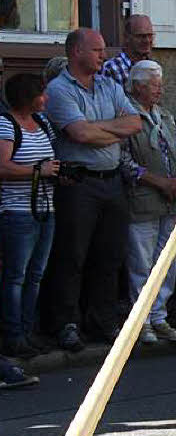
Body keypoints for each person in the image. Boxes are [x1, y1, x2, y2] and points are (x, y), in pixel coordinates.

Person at [44, 28, 142, 351]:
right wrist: (108, 130)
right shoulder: (59, 90)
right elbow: (78, 135)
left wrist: (96, 128)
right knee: (72, 254)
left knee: (110, 254)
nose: (104, 55)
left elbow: (134, 124)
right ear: (76, 52)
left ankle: (102, 320)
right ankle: (66, 323)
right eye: (97, 50)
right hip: (79, 183)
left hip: (111, 180)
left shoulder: (108, 85)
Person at [122, 60, 176, 345]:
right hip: (144, 199)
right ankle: (142, 321)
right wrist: (156, 180)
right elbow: (123, 160)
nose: (159, 90)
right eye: (154, 84)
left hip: (171, 200)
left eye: (160, 84)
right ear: (137, 86)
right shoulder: (126, 115)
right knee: (142, 262)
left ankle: (159, 317)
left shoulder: (164, 116)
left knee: (166, 261)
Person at [0, 73, 59, 357]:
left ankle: (27, 331)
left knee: (36, 275)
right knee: (16, 276)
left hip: (45, 210)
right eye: (41, 93)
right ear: (27, 96)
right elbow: (3, 167)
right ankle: (13, 336)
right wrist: (39, 171)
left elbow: (50, 162)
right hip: (18, 212)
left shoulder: (43, 123)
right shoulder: (6, 124)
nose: (46, 98)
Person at [100, 14, 155, 88]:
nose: (147, 41)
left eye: (150, 35)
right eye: (141, 36)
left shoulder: (152, 67)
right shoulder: (112, 68)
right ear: (126, 37)